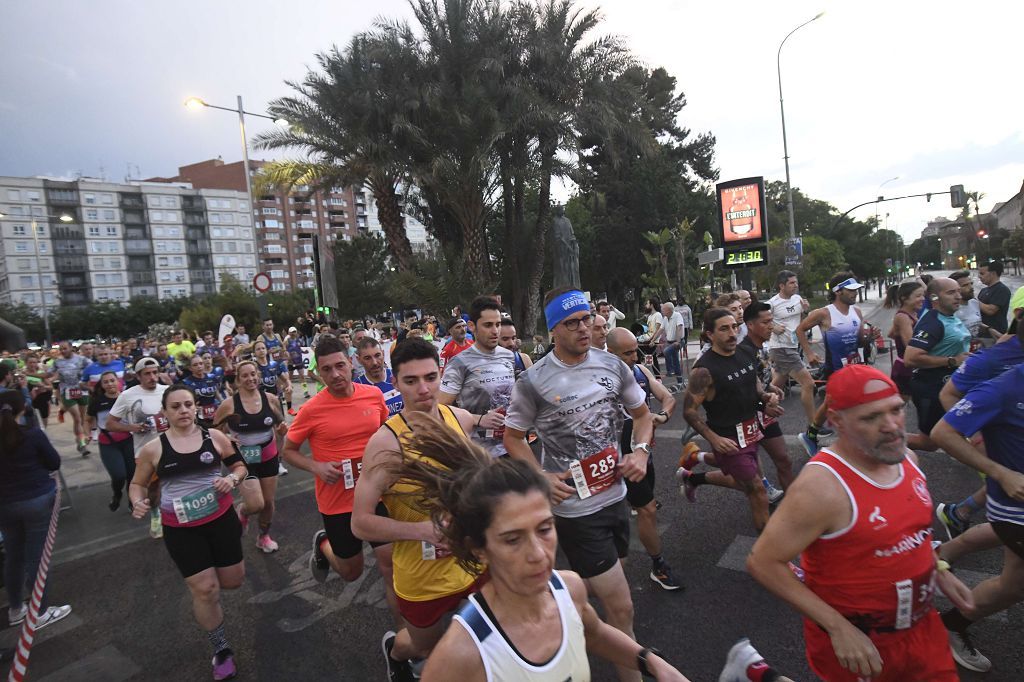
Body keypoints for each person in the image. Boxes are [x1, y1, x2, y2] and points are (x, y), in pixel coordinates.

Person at [373, 413, 692, 682]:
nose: (539, 554)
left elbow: (592, 633)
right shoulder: (459, 656)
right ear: (479, 549)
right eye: (512, 539)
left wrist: (652, 662)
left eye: (544, 528)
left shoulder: (568, 587)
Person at [746, 365, 970, 682]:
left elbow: (911, 531)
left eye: (896, 410)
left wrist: (939, 570)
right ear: (837, 421)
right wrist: (838, 627)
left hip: (922, 629)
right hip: (862, 644)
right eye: (871, 417)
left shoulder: (906, 458)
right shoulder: (822, 486)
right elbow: (763, 562)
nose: (892, 426)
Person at [504, 287, 653, 682]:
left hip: (616, 497)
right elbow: (512, 437)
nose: (584, 328)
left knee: (601, 591)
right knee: (622, 609)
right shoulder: (534, 381)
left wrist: (639, 453)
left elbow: (642, 415)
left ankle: (568, 623)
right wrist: (540, 476)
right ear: (554, 329)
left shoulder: (612, 365)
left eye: (586, 319)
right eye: (572, 323)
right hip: (574, 509)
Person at [352, 338, 480, 678]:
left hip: (475, 561)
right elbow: (361, 523)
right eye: (411, 381)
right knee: (424, 646)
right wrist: (423, 530)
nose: (424, 389)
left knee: (483, 646)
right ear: (395, 383)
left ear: (441, 375)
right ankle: (394, 651)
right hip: (423, 577)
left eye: (430, 377)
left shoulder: (461, 420)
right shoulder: (386, 445)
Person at [128, 384, 248, 681]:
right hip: (182, 530)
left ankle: (236, 528)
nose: (183, 410)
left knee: (233, 581)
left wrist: (232, 479)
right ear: (165, 412)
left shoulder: (215, 437)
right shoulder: (154, 448)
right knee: (206, 589)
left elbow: (239, 466)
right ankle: (221, 649)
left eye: (188, 405)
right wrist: (138, 501)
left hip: (220, 520)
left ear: (196, 407)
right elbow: (137, 484)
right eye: (176, 406)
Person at [282, 335, 397, 616]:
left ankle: (406, 641)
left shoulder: (372, 395)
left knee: (390, 565)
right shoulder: (311, 410)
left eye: (339, 366)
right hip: (338, 501)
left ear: (350, 363)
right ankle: (324, 545)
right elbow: (288, 451)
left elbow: (385, 433)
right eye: (326, 370)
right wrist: (316, 467)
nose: (335, 375)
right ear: (319, 372)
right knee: (351, 572)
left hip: (377, 494)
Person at [931, 362, 1024, 673]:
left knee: (1013, 586)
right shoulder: (1004, 387)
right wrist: (1000, 472)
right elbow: (942, 432)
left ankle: (939, 559)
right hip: (1015, 509)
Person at [678, 308, 781, 531]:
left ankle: (693, 478)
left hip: (751, 433)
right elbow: (689, 411)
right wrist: (713, 438)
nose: (733, 333)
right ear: (709, 334)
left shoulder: (745, 353)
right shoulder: (704, 370)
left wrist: (765, 400)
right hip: (728, 439)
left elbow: (753, 386)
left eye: (734, 326)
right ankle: (769, 552)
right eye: (724, 329)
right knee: (757, 488)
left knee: (743, 482)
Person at [934, 312, 1024, 543]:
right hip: (1009, 492)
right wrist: (976, 439)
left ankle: (948, 543)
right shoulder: (994, 365)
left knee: (1012, 579)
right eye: (951, 291)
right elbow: (948, 397)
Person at [606, 327, 682, 590]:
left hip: (643, 453)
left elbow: (668, 397)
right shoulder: (602, 378)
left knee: (643, 508)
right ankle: (658, 565)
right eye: (626, 353)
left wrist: (662, 416)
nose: (633, 357)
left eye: (635, 351)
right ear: (610, 353)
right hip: (617, 458)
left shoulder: (641, 371)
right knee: (646, 509)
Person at [0, 390, 73, 631]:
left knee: (13, 555)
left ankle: (15, 609)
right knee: (37, 558)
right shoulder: (33, 435)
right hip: (37, 499)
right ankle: (40, 611)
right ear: (23, 409)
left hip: (5, 505)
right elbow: (54, 462)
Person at [213, 360, 288, 554]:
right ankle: (243, 511)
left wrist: (281, 432)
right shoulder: (229, 405)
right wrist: (227, 437)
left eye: (253, 374)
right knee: (256, 504)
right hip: (243, 460)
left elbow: (280, 424)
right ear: (237, 381)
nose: (250, 379)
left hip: (268, 456)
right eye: (245, 375)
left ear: (259, 376)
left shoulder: (270, 399)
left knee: (269, 504)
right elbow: (214, 432)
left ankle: (263, 537)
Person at [795, 273, 873, 456]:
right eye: (851, 290)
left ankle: (813, 435)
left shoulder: (857, 312)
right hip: (836, 367)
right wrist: (809, 353)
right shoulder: (824, 313)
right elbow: (800, 330)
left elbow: (860, 341)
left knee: (834, 403)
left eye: (856, 290)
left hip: (855, 366)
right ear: (838, 292)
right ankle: (854, 443)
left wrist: (871, 338)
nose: (855, 294)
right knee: (847, 404)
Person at [439, 296, 516, 459]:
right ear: (472, 326)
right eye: (488, 325)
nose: (495, 331)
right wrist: (478, 419)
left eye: (498, 324)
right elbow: (439, 409)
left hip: (512, 446)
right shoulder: (459, 363)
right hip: (478, 453)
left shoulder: (508, 356)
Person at [104, 357, 170, 538]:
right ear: (138, 376)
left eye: (155, 372)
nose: (152, 377)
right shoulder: (127, 395)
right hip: (145, 452)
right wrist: (132, 428)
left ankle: (177, 517)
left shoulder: (168, 391)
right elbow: (110, 424)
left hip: (171, 447)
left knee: (178, 482)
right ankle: (156, 513)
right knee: (154, 489)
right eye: (147, 374)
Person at [903, 277, 970, 452]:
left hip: (952, 386)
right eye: (951, 292)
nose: (958, 296)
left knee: (961, 429)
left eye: (958, 291)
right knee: (929, 443)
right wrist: (953, 360)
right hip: (931, 389)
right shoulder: (932, 322)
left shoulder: (948, 316)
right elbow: (910, 358)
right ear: (934, 298)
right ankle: (877, 442)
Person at [766, 271, 817, 430]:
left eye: (796, 282)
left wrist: (806, 311)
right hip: (781, 348)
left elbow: (800, 322)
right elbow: (759, 321)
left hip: (792, 345)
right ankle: (814, 427)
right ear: (781, 286)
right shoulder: (772, 303)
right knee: (808, 384)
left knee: (774, 389)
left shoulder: (798, 299)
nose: (796, 285)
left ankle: (757, 417)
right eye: (792, 283)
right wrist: (773, 327)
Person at [87, 371, 136, 512]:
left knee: (132, 474)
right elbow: (88, 419)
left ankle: (132, 501)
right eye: (106, 382)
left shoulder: (127, 398)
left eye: (112, 380)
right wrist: (87, 433)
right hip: (108, 443)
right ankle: (117, 493)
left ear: (118, 381)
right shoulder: (97, 402)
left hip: (129, 440)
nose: (109, 384)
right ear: (102, 385)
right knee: (119, 475)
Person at [883, 281, 925, 399]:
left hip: (909, 366)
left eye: (922, 295)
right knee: (900, 406)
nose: (922, 298)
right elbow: (911, 345)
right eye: (918, 296)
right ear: (904, 298)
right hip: (905, 369)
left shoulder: (911, 314)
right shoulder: (903, 317)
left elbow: (891, 333)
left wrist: (898, 335)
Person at [50, 341, 91, 454]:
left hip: (82, 391)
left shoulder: (82, 359)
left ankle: (80, 441)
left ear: (71, 348)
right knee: (77, 418)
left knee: (83, 418)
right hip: (67, 392)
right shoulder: (57, 362)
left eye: (65, 348)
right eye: (61, 349)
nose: (63, 351)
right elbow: (49, 374)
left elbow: (93, 369)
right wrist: (47, 381)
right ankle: (83, 445)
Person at [354, 337, 405, 417]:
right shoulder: (356, 388)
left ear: (383, 354)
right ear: (359, 360)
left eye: (377, 355)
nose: (374, 362)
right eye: (367, 358)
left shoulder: (398, 376)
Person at [182, 354, 224, 427]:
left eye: (201, 363)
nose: (199, 366)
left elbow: (216, 392)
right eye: (195, 365)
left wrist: (222, 402)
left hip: (215, 413)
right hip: (199, 417)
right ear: (190, 368)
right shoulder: (186, 382)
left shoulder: (212, 377)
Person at [654, 301, 686, 392]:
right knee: (676, 360)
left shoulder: (677, 315)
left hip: (678, 341)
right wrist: (653, 340)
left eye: (663, 309)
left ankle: (670, 371)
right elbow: (660, 330)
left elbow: (679, 327)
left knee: (666, 351)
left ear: (668, 310)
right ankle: (680, 382)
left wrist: (678, 341)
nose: (662, 311)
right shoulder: (665, 318)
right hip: (669, 341)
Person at [950, 270, 983, 350]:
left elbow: (975, 323)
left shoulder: (974, 303)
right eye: (965, 285)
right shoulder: (951, 309)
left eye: (971, 284)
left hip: (976, 350)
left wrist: (990, 329)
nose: (971, 288)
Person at [977, 260, 1011, 338]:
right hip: (982, 334)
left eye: (982, 273)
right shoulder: (983, 290)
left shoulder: (1002, 289)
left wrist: (974, 301)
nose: (979, 276)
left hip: (995, 335)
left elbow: (991, 310)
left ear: (993, 273)